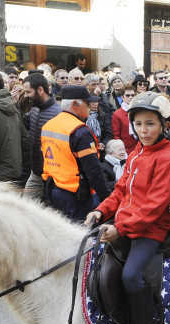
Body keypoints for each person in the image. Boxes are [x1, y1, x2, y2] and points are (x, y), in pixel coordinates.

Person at [84, 91, 170, 324]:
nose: (144, 130)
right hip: (126, 222)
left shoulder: (169, 158)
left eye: (150, 124)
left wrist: (120, 228)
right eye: (139, 123)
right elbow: (120, 191)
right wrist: (101, 210)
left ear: (165, 125)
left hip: (151, 228)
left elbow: (154, 206)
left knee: (131, 276)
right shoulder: (137, 151)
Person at [41, 86, 109, 222]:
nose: (91, 106)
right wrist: (106, 197)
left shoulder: (49, 125)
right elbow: (93, 170)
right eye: (87, 103)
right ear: (75, 104)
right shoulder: (80, 132)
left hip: (52, 189)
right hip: (74, 195)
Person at [22, 73, 62, 199]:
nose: (26, 95)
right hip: (36, 172)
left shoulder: (58, 113)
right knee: (26, 207)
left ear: (40, 90)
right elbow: (22, 123)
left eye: (28, 92)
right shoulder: (35, 109)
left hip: (52, 175)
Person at [111, 85, 137, 154]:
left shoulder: (138, 112)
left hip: (139, 147)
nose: (130, 97)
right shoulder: (117, 114)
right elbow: (116, 136)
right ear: (122, 97)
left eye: (132, 95)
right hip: (126, 151)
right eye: (127, 95)